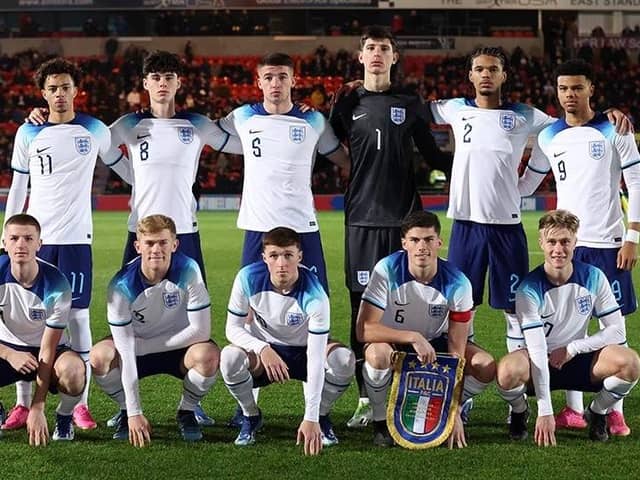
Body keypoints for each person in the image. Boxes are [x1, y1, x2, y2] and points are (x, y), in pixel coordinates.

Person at [28, 50, 233, 426]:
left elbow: (239, 139)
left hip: (185, 233)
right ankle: (126, 407)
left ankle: (192, 401)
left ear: (178, 83)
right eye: (155, 77)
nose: (162, 83)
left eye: (169, 77)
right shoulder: (126, 125)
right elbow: (95, 145)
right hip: (140, 234)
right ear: (144, 84)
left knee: (191, 318)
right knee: (128, 314)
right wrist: (40, 119)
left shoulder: (197, 124)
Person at [428, 47, 630, 421]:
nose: (485, 75)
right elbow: (409, 107)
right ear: (470, 75)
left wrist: (613, 111)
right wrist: (365, 88)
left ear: (504, 76)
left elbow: (574, 120)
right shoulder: (453, 108)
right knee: (460, 309)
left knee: (514, 311)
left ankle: (526, 392)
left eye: (493, 69)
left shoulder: (527, 117)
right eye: (478, 69)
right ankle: (463, 392)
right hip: (465, 226)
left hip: (508, 229)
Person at [329, 25, 450, 428]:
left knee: (411, 303)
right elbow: (322, 149)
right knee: (360, 308)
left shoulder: (411, 102)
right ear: (360, 56)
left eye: (384, 48)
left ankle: (416, 383)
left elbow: (434, 156)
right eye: (370, 48)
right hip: (362, 220)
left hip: (406, 222)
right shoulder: (346, 102)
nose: (377, 53)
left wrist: (481, 166)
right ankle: (367, 398)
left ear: (394, 57)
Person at [3, 57, 130, 432]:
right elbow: (18, 187)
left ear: (77, 90)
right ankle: (22, 405)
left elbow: (122, 168)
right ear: (43, 93)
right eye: (52, 88)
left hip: (76, 239)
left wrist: (159, 182)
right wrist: (6, 233)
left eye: (65, 87)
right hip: (35, 240)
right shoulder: (28, 133)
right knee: (22, 322)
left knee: (77, 319)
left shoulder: (95, 130)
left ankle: (81, 405)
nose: (59, 94)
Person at [519, 59, 640, 435]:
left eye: (576, 88)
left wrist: (632, 238)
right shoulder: (547, 136)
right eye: (563, 89)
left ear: (591, 89)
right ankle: (571, 409)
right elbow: (526, 185)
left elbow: (636, 183)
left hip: (607, 243)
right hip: (567, 245)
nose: (569, 95)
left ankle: (610, 408)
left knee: (613, 328)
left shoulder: (614, 127)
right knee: (567, 326)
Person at [496, 210, 640, 445]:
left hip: (578, 360)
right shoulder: (528, 289)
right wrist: (545, 410)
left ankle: (598, 411)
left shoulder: (594, 276)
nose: (558, 249)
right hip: (538, 362)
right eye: (551, 242)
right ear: (541, 243)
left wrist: (573, 348)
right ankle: (520, 411)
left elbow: (617, 331)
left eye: (565, 241)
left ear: (575, 242)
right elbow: (537, 348)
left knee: (630, 363)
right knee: (506, 371)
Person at [356, 210, 495, 448]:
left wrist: (454, 408)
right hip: (395, 342)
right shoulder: (386, 269)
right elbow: (364, 330)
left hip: (436, 343)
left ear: (439, 242)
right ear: (404, 244)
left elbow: (456, 349)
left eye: (429, 240)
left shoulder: (458, 282)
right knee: (377, 356)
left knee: (485, 365)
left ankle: (454, 406)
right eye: (415, 240)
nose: (422, 247)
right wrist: (412, 337)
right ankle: (381, 421)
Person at [217, 52, 349, 293]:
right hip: (259, 223)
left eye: (282, 76)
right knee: (252, 297)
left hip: (300, 221)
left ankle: (319, 333)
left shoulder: (313, 119)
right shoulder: (241, 116)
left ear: (293, 80)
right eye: (268, 77)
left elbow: (343, 159)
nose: (275, 83)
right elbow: (209, 135)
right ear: (259, 82)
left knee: (315, 293)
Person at [219, 227, 355, 455]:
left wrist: (310, 417)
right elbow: (231, 328)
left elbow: (314, 355)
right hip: (264, 354)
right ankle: (250, 415)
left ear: (299, 257)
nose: (281, 263)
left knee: (344, 360)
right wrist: (262, 348)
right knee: (230, 357)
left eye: (288, 255)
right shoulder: (247, 278)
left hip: (304, 351)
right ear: (264, 258)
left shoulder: (315, 294)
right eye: (274, 256)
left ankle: (321, 416)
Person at [90, 214, 219, 446]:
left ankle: (187, 411)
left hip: (179, 346)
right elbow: (126, 352)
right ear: (138, 246)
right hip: (135, 348)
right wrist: (134, 412)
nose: (156, 249)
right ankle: (123, 411)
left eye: (163, 242)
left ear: (175, 245)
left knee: (207, 356)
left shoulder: (189, 269)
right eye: (149, 243)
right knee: (100, 357)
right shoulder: (121, 286)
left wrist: (145, 346)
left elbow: (201, 331)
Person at [0, 214, 86, 445]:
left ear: (39, 244)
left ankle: (64, 417)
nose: (21, 244)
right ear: (4, 242)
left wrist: (37, 406)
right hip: (9, 349)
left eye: (28, 238)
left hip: (50, 351)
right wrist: (9, 353)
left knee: (75, 371)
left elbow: (47, 350)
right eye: (14, 238)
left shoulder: (57, 284)